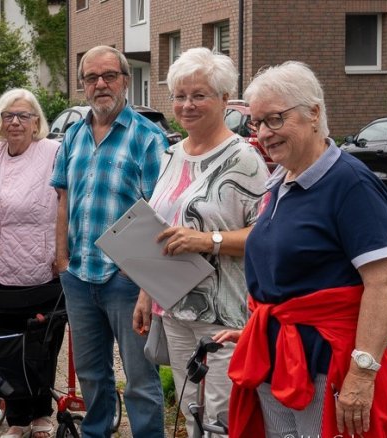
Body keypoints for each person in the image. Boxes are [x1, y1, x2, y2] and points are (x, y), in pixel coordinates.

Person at [218, 61, 387, 438]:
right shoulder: (282, 180)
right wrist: (262, 326)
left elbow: (382, 282)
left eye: (275, 120)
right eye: (257, 123)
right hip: (277, 350)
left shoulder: (351, 184)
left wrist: (362, 373)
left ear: (314, 113)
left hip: (325, 360)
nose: (264, 133)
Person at [130, 47, 269, 437]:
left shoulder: (245, 158)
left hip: (224, 316)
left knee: (221, 419)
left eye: (199, 95)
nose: (187, 105)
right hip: (173, 307)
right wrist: (146, 294)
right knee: (191, 410)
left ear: (225, 99)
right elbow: (162, 228)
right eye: (179, 95)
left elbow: (267, 235)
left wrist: (208, 239)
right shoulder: (171, 154)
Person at [50, 45, 166, 437]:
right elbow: (63, 198)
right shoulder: (73, 136)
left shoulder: (148, 138)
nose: (100, 84)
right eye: (91, 78)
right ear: (83, 85)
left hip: (128, 279)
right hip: (79, 276)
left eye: (109, 76)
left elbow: (160, 214)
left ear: (125, 80)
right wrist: (62, 261)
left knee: (139, 378)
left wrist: (148, 286)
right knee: (91, 375)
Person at [0, 88, 63, 438]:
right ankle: (17, 419)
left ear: (37, 121)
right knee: (6, 342)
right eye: (9, 115)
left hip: (42, 266)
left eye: (24, 115)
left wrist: (61, 252)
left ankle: (42, 414)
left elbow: (65, 205)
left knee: (41, 343)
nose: (16, 122)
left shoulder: (53, 152)